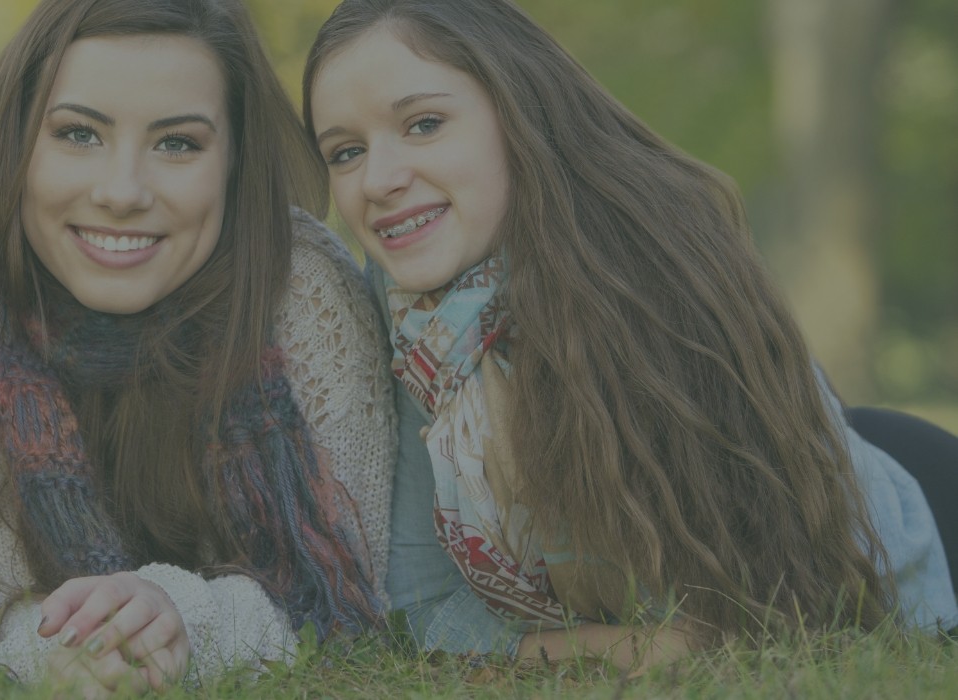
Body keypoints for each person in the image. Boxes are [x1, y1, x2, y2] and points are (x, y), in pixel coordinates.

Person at [301, 0, 957, 671]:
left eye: (424, 124)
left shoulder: (662, 258)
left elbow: (780, 606)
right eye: (346, 151)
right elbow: (423, 604)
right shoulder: (411, 315)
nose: (379, 179)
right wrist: (613, 648)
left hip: (905, 529)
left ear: (517, 110)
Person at [0, 0, 396, 693]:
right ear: (17, 140)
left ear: (235, 162)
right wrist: (70, 650)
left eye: (177, 144)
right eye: (78, 134)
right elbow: (4, 596)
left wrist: (180, 620)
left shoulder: (303, 285)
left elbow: (346, 577)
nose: (123, 192)